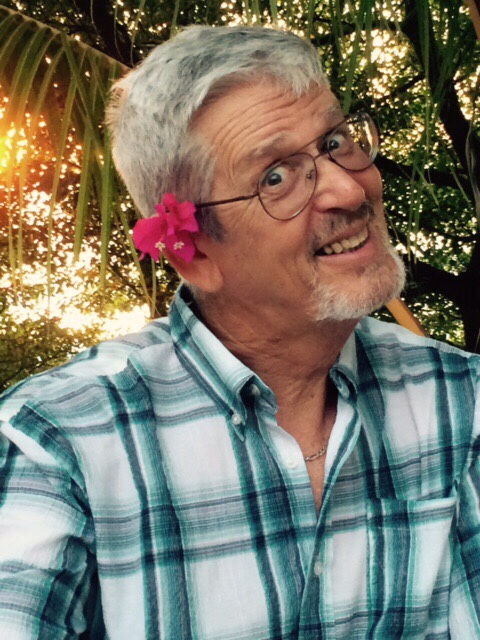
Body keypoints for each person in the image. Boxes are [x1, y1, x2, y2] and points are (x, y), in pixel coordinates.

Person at [0, 25, 479, 640]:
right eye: (276, 177)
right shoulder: (60, 438)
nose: (348, 188)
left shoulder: (460, 397)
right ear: (196, 254)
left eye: (335, 142)